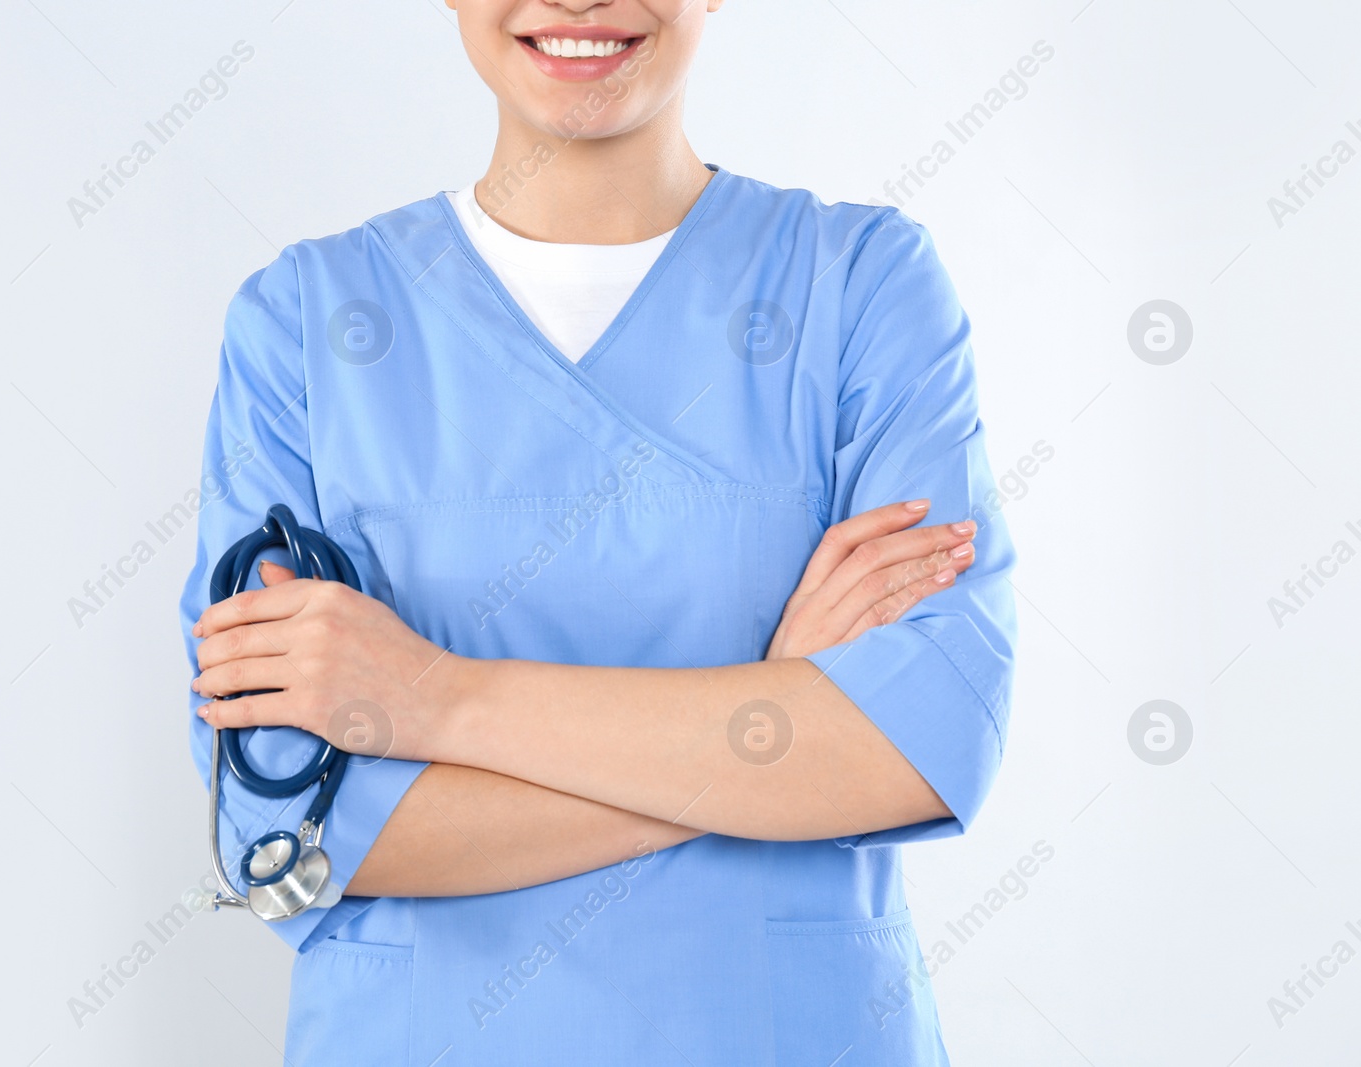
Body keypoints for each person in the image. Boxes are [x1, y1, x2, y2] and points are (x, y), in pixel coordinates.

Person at [179, 1, 1017, 1063]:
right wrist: (769, 710)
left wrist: (430, 696)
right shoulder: (304, 322)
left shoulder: (859, 285)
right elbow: (283, 826)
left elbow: (917, 741)